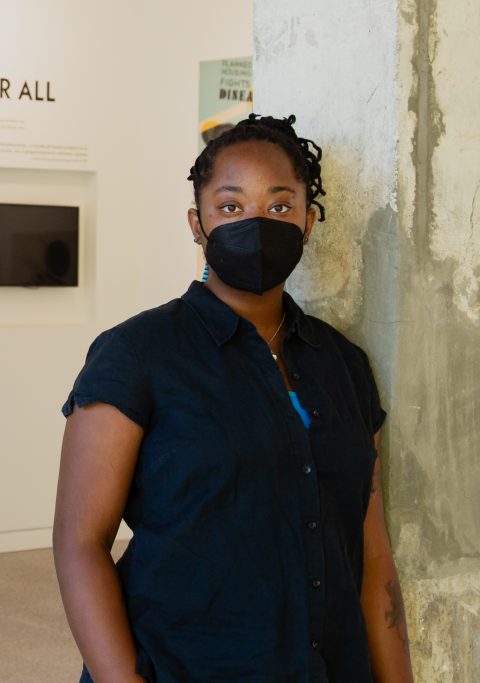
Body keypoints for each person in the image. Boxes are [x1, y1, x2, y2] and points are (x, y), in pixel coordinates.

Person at [53, 115, 413, 682]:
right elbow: (80, 543)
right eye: (230, 206)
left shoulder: (343, 364)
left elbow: (372, 561)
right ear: (197, 225)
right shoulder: (136, 354)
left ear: (308, 221)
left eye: (279, 206)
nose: (256, 223)